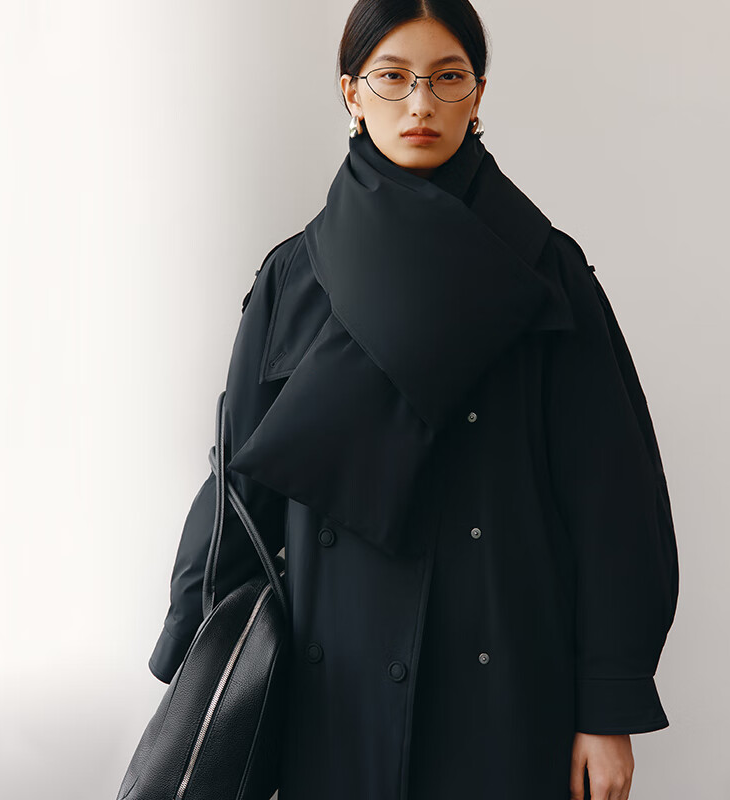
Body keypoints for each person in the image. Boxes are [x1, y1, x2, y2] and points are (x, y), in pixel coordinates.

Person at [147, 2, 679, 799]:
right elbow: (238, 496)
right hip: (334, 700)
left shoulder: (547, 273)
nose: (421, 103)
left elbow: (614, 500)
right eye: (392, 78)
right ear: (352, 93)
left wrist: (608, 706)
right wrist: (193, 674)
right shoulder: (295, 277)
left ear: (479, 93)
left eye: (447, 77)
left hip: (506, 691)